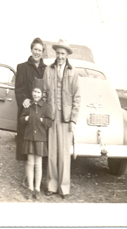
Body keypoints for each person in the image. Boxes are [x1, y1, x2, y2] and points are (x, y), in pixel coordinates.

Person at [43, 39, 81, 199]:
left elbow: (77, 98)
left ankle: (64, 188)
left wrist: (73, 120)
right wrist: (44, 115)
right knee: (52, 152)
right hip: (52, 116)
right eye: (58, 53)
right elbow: (44, 93)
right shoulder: (48, 70)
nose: (60, 56)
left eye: (62, 54)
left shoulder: (73, 72)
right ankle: (51, 185)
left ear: (66, 55)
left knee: (64, 153)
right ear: (55, 54)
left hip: (66, 118)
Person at [15, 38, 47, 186]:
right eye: (35, 49)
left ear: (42, 52)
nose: (37, 53)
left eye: (40, 50)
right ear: (31, 50)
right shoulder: (22, 68)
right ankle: (27, 177)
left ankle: (38, 179)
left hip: (39, 112)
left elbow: (46, 90)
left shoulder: (46, 69)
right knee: (26, 144)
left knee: (38, 145)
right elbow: (19, 89)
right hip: (27, 111)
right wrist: (23, 100)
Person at [19, 78, 52, 200]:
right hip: (29, 137)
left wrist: (44, 121)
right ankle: (30, 188)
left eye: (38, 92)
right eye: (34, 92)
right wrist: (25, 119)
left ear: (42, 94)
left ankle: (37, 188)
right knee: (29, 163)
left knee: (38, 164)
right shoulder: (28, 105)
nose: (36, 94)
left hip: (40, 138)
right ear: (32, 92)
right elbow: (21, 119)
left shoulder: (46, 107)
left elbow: (50, 121)